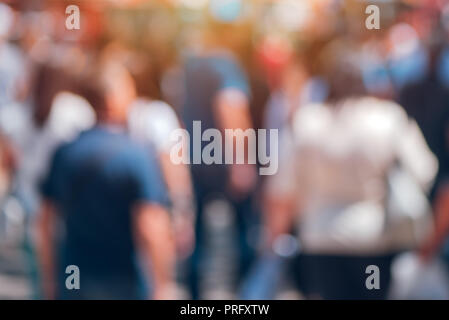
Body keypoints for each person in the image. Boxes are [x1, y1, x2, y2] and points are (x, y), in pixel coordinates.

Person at [264, 39, 437, 299]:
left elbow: (283, 187)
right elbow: (425, 170)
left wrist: (274, 236)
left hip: (319, 240)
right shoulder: (387, 117)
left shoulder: (307, 121)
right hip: (373, 239)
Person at [35, 61, 175, 299]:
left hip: (74, 276)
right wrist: (162, 285)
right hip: (123, 279)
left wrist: (49, 280)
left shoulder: (66, 152)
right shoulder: (136, 156)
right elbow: (151, 223)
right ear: (113, 98)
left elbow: (45, 223)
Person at [180, 23, 258, 299]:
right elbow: (230, 107)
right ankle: (247, 295)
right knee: (245, 235)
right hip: (222, 161)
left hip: (195, 159)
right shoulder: (226, 66)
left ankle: (195, 295)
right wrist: (242, 162)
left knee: (197, 236)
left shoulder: (191, 66)